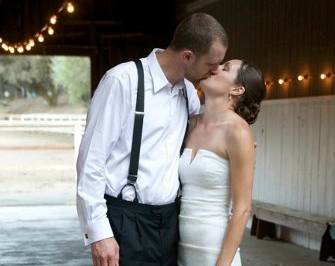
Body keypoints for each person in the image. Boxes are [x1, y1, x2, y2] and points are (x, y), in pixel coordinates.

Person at [76, 13, 228, 266]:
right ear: (188, 56)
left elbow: (202, 137)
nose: (215, 71)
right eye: (211, 64)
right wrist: (99, 234)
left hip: (170, 222)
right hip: (126, 220)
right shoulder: (123, 80)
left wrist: (236, 140)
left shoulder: (188, 92)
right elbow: (90, 161)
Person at [178, 59, 265, 266]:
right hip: (180, 252)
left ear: (237, 89)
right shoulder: (189, 123)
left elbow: (242, 207)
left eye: (225, 68)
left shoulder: (238, 131)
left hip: (215, 252)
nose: (214, 68)